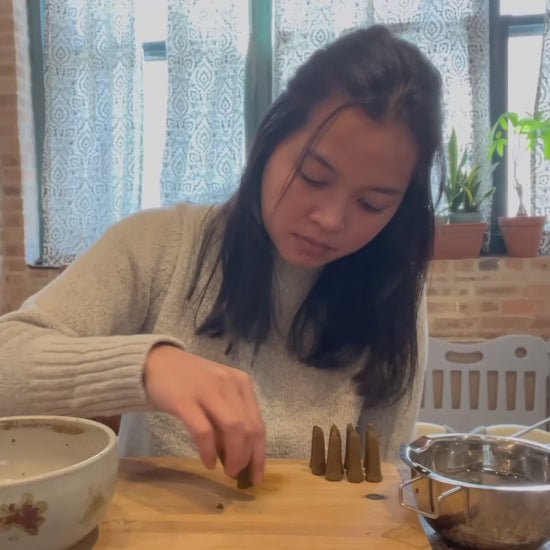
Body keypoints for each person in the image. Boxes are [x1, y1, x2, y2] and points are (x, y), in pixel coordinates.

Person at [0, 25, 443, 486]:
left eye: (372, 204)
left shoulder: (392, 290)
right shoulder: (159, 245)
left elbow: (382, 485)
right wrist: (149, 365)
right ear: (267, 142)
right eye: (313, 176)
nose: (331, 219)